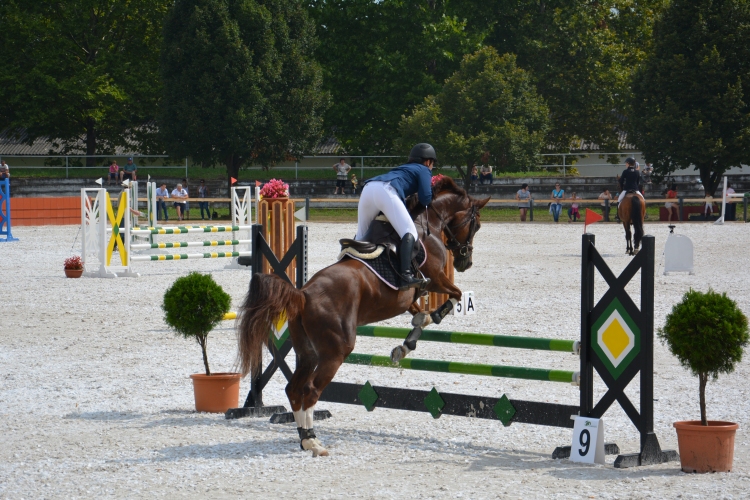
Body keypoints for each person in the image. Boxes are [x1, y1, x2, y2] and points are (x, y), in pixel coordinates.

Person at [355, 143, 435, 290]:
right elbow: (425, 199)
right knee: (409, 231)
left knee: (361, 236)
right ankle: (406, 276)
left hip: (368, 188)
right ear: (428, 161)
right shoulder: (424, 169)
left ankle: (348, 264)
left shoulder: (403, 168)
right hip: (386, 191)